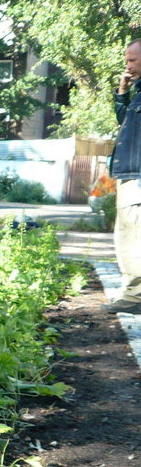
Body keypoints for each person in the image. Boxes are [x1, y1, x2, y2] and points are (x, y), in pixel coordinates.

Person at [106, 38, 141, 313]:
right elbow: (125, 123)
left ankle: (135, 297)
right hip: (131, 171)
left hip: (137, 175)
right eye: (127, 60)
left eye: (133, 60)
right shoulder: (138, 92)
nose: (127, 66)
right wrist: (122, 92)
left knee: (130, 236)